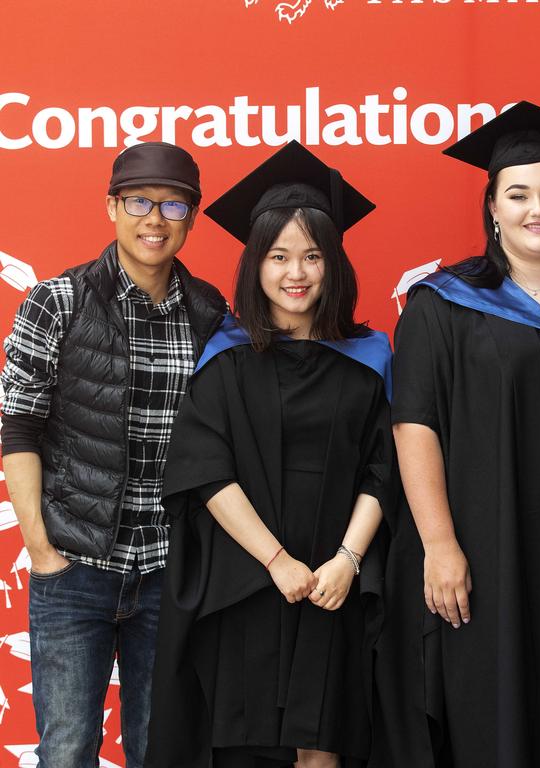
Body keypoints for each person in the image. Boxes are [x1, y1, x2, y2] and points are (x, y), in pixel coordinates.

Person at [372, 102, 540, 768]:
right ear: (494, 208)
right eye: (519, 194)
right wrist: (440, 545)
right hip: (485, 544)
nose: (538, 209)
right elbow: (413, 424)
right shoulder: (443, 304)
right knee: (490, 711)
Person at [145, 141, 395, 768]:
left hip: (335, 585)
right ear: (254, 265)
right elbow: (205, 470)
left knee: (324, 749)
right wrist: (277, 561)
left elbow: (385, 469)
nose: (297, 273)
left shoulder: (370, 360)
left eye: (313, 256)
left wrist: (346, 561)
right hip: (247, 584)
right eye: (279, 256)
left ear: (333, 264)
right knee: (248, 747)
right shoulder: (226, 357)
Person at [0, 142, 225, 767]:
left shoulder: (210, 313)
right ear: (112, 207)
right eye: (139, 201)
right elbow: (17, 426)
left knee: (162, 748)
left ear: (192, 215)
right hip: (73, 567)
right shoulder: (57, 300)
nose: (155, 218)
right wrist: (43, 552)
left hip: (169, 572)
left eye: (173, 204)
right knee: (68, 750)